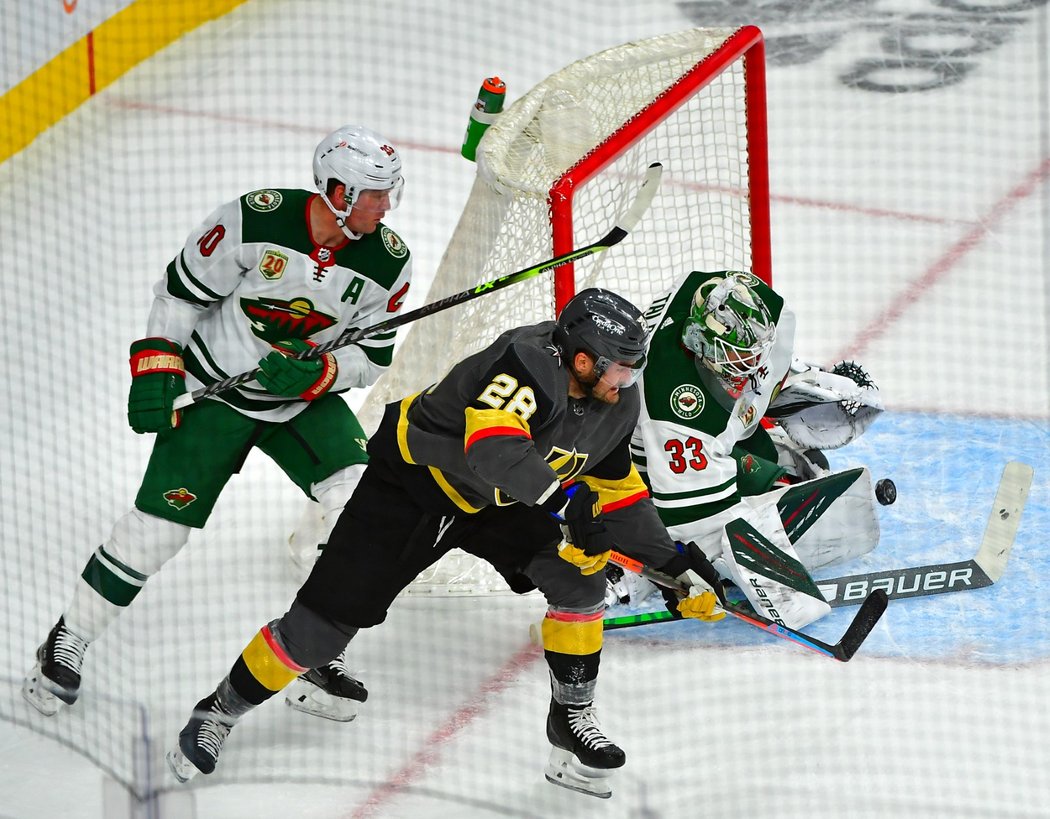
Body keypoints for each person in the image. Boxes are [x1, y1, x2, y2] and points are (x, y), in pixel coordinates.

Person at [165, 288, 726, 799]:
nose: (627, 383)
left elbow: (620, 491)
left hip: (498, 502)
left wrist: (672, 565)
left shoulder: (617, 401)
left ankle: (570, 720)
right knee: (319, 628)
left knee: (578, 582)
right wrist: (561, 506)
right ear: (583, 359)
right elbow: (495, 451)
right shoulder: (526, 363)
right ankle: (219, 711)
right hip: (416, 484)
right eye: (621, 370)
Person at [22, 124, 411, 723]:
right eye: (373, 195)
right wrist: (157, 369)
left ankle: (314, 650)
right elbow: (179, 297)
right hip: (214, 392)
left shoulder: (388, 263)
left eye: (390, 193)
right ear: (336, 189)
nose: (386, 207)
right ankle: (67, 636)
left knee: (357, 507)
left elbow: (372, 358)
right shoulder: (255, 221)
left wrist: (319, 373)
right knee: (157, 531)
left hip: (301, 403)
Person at [613, 270, 884, 629]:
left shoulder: (712, 293)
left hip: (693, 434)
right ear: (701, 345)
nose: (752, 368)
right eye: (739, 359)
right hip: (635, 462)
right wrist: (772, 584)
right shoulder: (673, 412)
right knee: (699, 539)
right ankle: (629, 572)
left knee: (767, 459)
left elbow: (767, 342)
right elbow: (699, 522)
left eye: (754, 355)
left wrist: (794, 383)